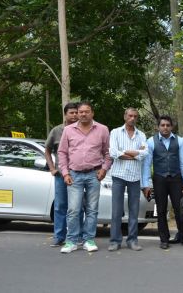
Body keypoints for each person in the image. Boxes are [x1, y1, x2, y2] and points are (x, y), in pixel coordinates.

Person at [58, 102, 112, 254]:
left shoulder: (102, 129)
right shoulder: (68, 130)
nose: (83, 114)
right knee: (73, 209)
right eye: (80, 112)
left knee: (92, 209)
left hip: (94, 174)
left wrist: (104, 169)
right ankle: (71, 241)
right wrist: (65, 173)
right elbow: (62, 152)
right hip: (74, 174)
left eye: (86, 111)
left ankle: (89, 240)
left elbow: (108, 153)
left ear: (92, 113)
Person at [141, 115, 183, 249]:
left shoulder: (179, 141)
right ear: (158, 127)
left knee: (180, 209)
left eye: (168, 125)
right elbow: (146, 165)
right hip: (159, 179)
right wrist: (146, 185)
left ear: (171, 127)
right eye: (163, 125)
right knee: (160, 210)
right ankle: (164, 239)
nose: (165, 128)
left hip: (176, 179)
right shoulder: (151, 141)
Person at [108, 108, 148, 252]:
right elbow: (113, 152)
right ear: (125, 116)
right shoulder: (115, 132)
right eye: (130, 115)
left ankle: (132, 240)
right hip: (118, 175)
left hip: (135, 177)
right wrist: (134, 154)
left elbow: (144, 153)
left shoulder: (141, 135)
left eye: (135, 116)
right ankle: (115, 241)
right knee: (117, 211)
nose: (132, 118)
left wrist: (124, 153)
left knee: (134, 210)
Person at [45, 102, 80, 247]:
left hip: (77, 173)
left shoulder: (82, 130)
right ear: (65, 114)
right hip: (60, 175)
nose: (74, 115)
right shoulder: (56, 131)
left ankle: (78, 237)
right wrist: (52, 168)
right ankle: (59, 236)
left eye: (76, 113)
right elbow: (47, 150)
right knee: (60, 206)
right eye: (71, 113)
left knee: (78, 206)